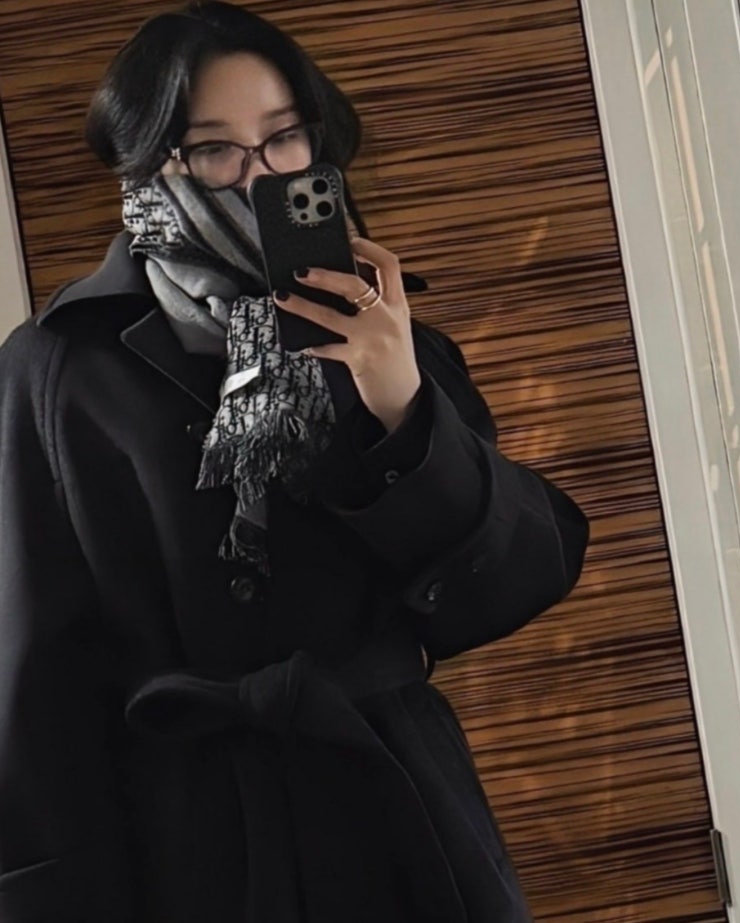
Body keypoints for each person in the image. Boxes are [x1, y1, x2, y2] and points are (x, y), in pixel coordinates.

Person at [0, 2, 588, 921]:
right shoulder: (59, 367)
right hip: (188, 840)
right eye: (214, 149)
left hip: (402, 811)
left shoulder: (386, 336)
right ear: (151, 162)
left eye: (282, 139)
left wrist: (401, 405)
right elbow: (36, 678)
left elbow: (508, 585)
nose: (258, 175)